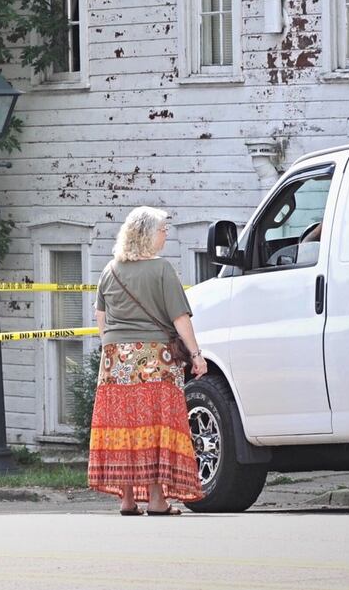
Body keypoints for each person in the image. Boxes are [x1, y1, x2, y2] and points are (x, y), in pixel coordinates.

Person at [88, 205, 208, 515]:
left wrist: (115, 348)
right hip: (155, 359)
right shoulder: (162, 269)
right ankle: (157, 499)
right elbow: (179, 318)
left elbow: (101, 318)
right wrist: (196, 355)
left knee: (123, 426)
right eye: (162, 230)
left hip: (115, 361)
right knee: (156, 425)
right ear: (145, 235)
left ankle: (127, 500)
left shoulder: (109, 270)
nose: (166, 235)